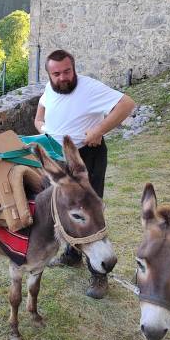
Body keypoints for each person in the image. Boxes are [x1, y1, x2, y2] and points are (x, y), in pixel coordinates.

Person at [34, 49, 135, 299]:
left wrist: (99, 129)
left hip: (86, 158)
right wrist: (44, 127)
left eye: (67, 71)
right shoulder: (49, 89)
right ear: (49, 74)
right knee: (67, 209)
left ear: (74, 68)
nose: (63, 77)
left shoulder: (89, 88)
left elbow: (127, 104)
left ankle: (99, 274)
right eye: (57, 74)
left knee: (89, 212)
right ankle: (72, 255)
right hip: (58, 158)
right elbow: (39, 115)